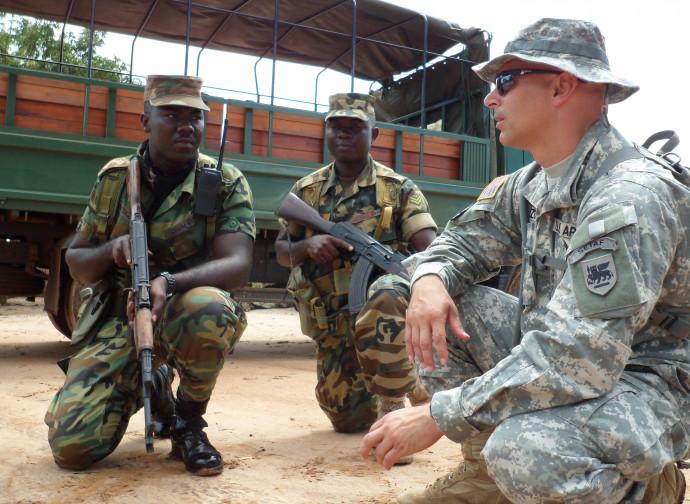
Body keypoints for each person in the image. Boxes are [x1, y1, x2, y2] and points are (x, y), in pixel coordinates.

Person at [359, 18, 690, 504]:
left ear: (561, 87)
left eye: (505, 81)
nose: (491, 98)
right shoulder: (533, 182)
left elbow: (580, 355)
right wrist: (429, 278)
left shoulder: (628, 197)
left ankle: (647, 487)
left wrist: (437, 415)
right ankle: (485, 471)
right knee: (443, 307)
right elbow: (460, 244)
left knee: (528, 450)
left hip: (650, 381)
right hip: (584, 362)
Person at [45, 75, 255, 476]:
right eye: (171, 115)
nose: (185, 126)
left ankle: (188, 424)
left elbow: (238, 265)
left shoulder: (226, 182)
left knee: (207, 308)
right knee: (73, 449)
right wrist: (113, 249)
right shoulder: (115, 179)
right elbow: (76, 260)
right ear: (145, 121)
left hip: (181, 311)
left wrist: (169, 282)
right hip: (119, 321)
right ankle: (156, 385)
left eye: (195, 117)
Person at [275, 93, 438, 445]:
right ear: (326, 132)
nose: (344, 134)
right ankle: (410, 383)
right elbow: (280, 251)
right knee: (345, 418)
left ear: (374, 135)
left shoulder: (397, 190)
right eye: (336, 126)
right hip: (334, 322)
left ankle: (394, 407)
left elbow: (430, 251)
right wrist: (308, 245)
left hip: (386, 317)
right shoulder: (308, 191)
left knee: (388, 290)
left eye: (355, 127)